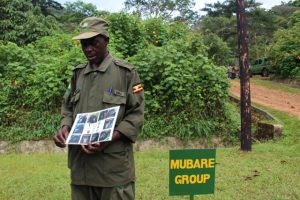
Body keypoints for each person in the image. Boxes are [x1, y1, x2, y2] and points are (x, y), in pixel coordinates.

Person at [53, 17, 145, 200]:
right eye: (84, 44)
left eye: (93, 42)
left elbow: (136, 115)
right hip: (82, 171)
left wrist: (109, 138)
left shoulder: (126, 73)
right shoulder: (77, 75)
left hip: (113, 170)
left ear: (106, 40)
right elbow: (68, 108)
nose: (88, 48)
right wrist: (64, 128)